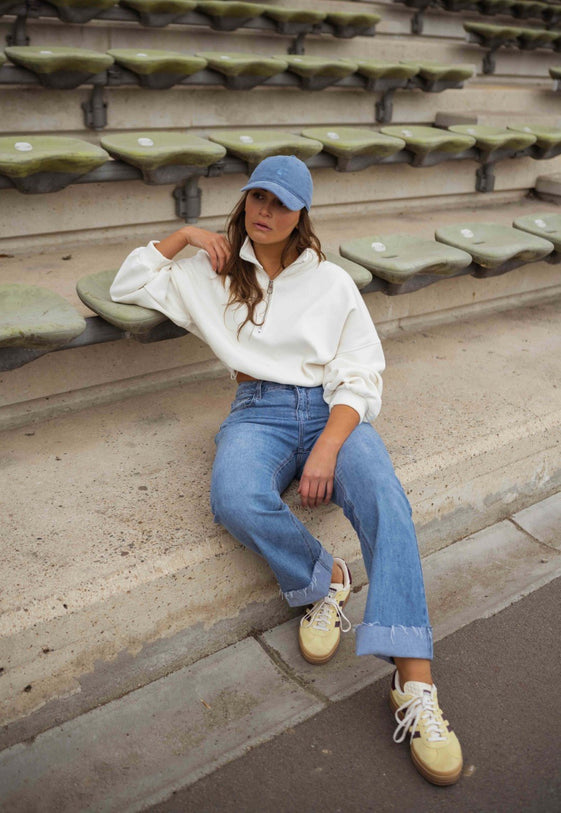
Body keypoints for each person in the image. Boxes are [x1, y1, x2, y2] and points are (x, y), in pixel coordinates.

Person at [110, 155, 463, 786]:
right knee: (234, 497)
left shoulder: (331, 282)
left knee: (385, 498)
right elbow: (128, 283)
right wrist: (185, 235)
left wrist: (327, 447)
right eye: (257, 198)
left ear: (302, 214)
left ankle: (415, 685)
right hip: (257, 412)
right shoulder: (212, 272)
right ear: (245, 200)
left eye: (281, 204)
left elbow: (361, 372)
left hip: (332, 409)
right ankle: (324, 580)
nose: (266, 213)